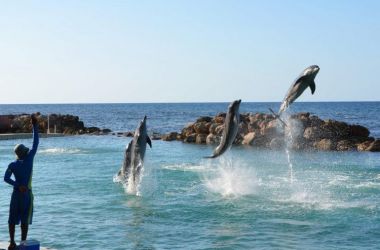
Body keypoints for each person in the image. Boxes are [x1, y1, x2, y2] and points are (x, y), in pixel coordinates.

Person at [4, 114, 39, 250]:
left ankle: (12, 242)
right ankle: (23, 243)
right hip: (26, 195)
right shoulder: (29, 159)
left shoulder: (12, 164)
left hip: (16, 194)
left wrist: (18, 186)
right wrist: (34, 126)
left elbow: (6, 178)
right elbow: (35, 143)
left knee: (12, 219)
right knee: (24, 220)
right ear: (24, 152)